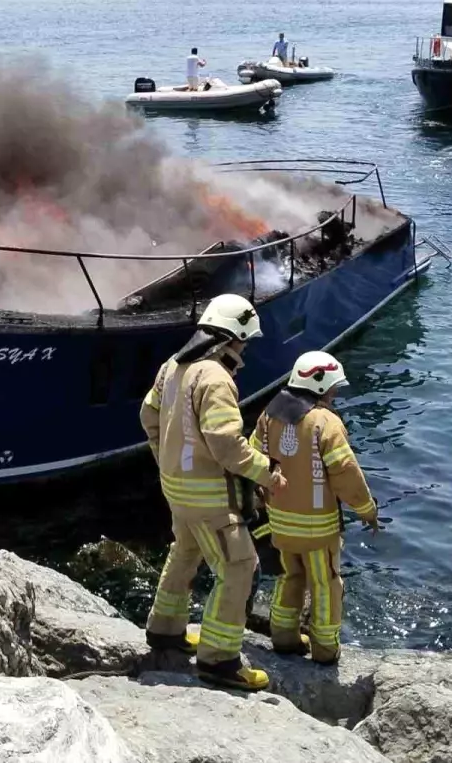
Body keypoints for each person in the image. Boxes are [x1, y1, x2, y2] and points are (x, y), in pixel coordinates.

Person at [140, 293, 287, 692]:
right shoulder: (217, 379)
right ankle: (219, 660)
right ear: (230, 337)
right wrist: (267, 472)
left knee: (185, 551)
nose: (245, 348)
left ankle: (165, 629)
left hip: (175, 488)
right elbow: (225, 444)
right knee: (239, 565)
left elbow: (147, 413)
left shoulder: (172, 367)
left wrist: (164, 456)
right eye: (244, 340)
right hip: (209, 497)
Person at [249, 350, 378, 664]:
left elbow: (252, 457)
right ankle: (324, 648)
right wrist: (367, 510)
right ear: (321, 387)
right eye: (333, 388)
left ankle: (282, 636)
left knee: (290, 576)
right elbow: (346, 472)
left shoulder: (269, 414)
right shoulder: (326, 423)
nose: (335, 394)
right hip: (318, 529)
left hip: (279, 522)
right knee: (326, 584)